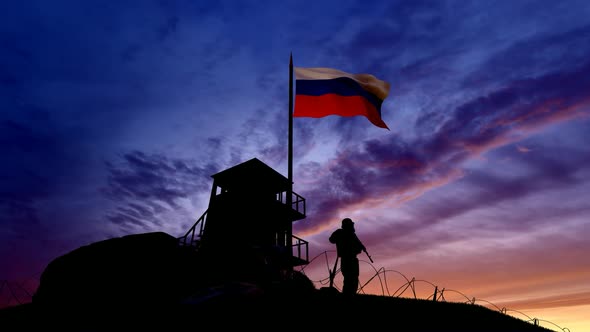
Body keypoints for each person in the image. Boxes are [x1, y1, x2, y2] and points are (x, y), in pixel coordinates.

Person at [329, 218, 367, 296]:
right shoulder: (341, 232)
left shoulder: (352, 235)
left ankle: (350, 294)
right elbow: (332, 239)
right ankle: (347, 295)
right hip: (347, 259)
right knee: (349, 278)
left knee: (353, 279)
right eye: (351, 225)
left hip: (352, 259)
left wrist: (360, 247)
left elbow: (358, 247)